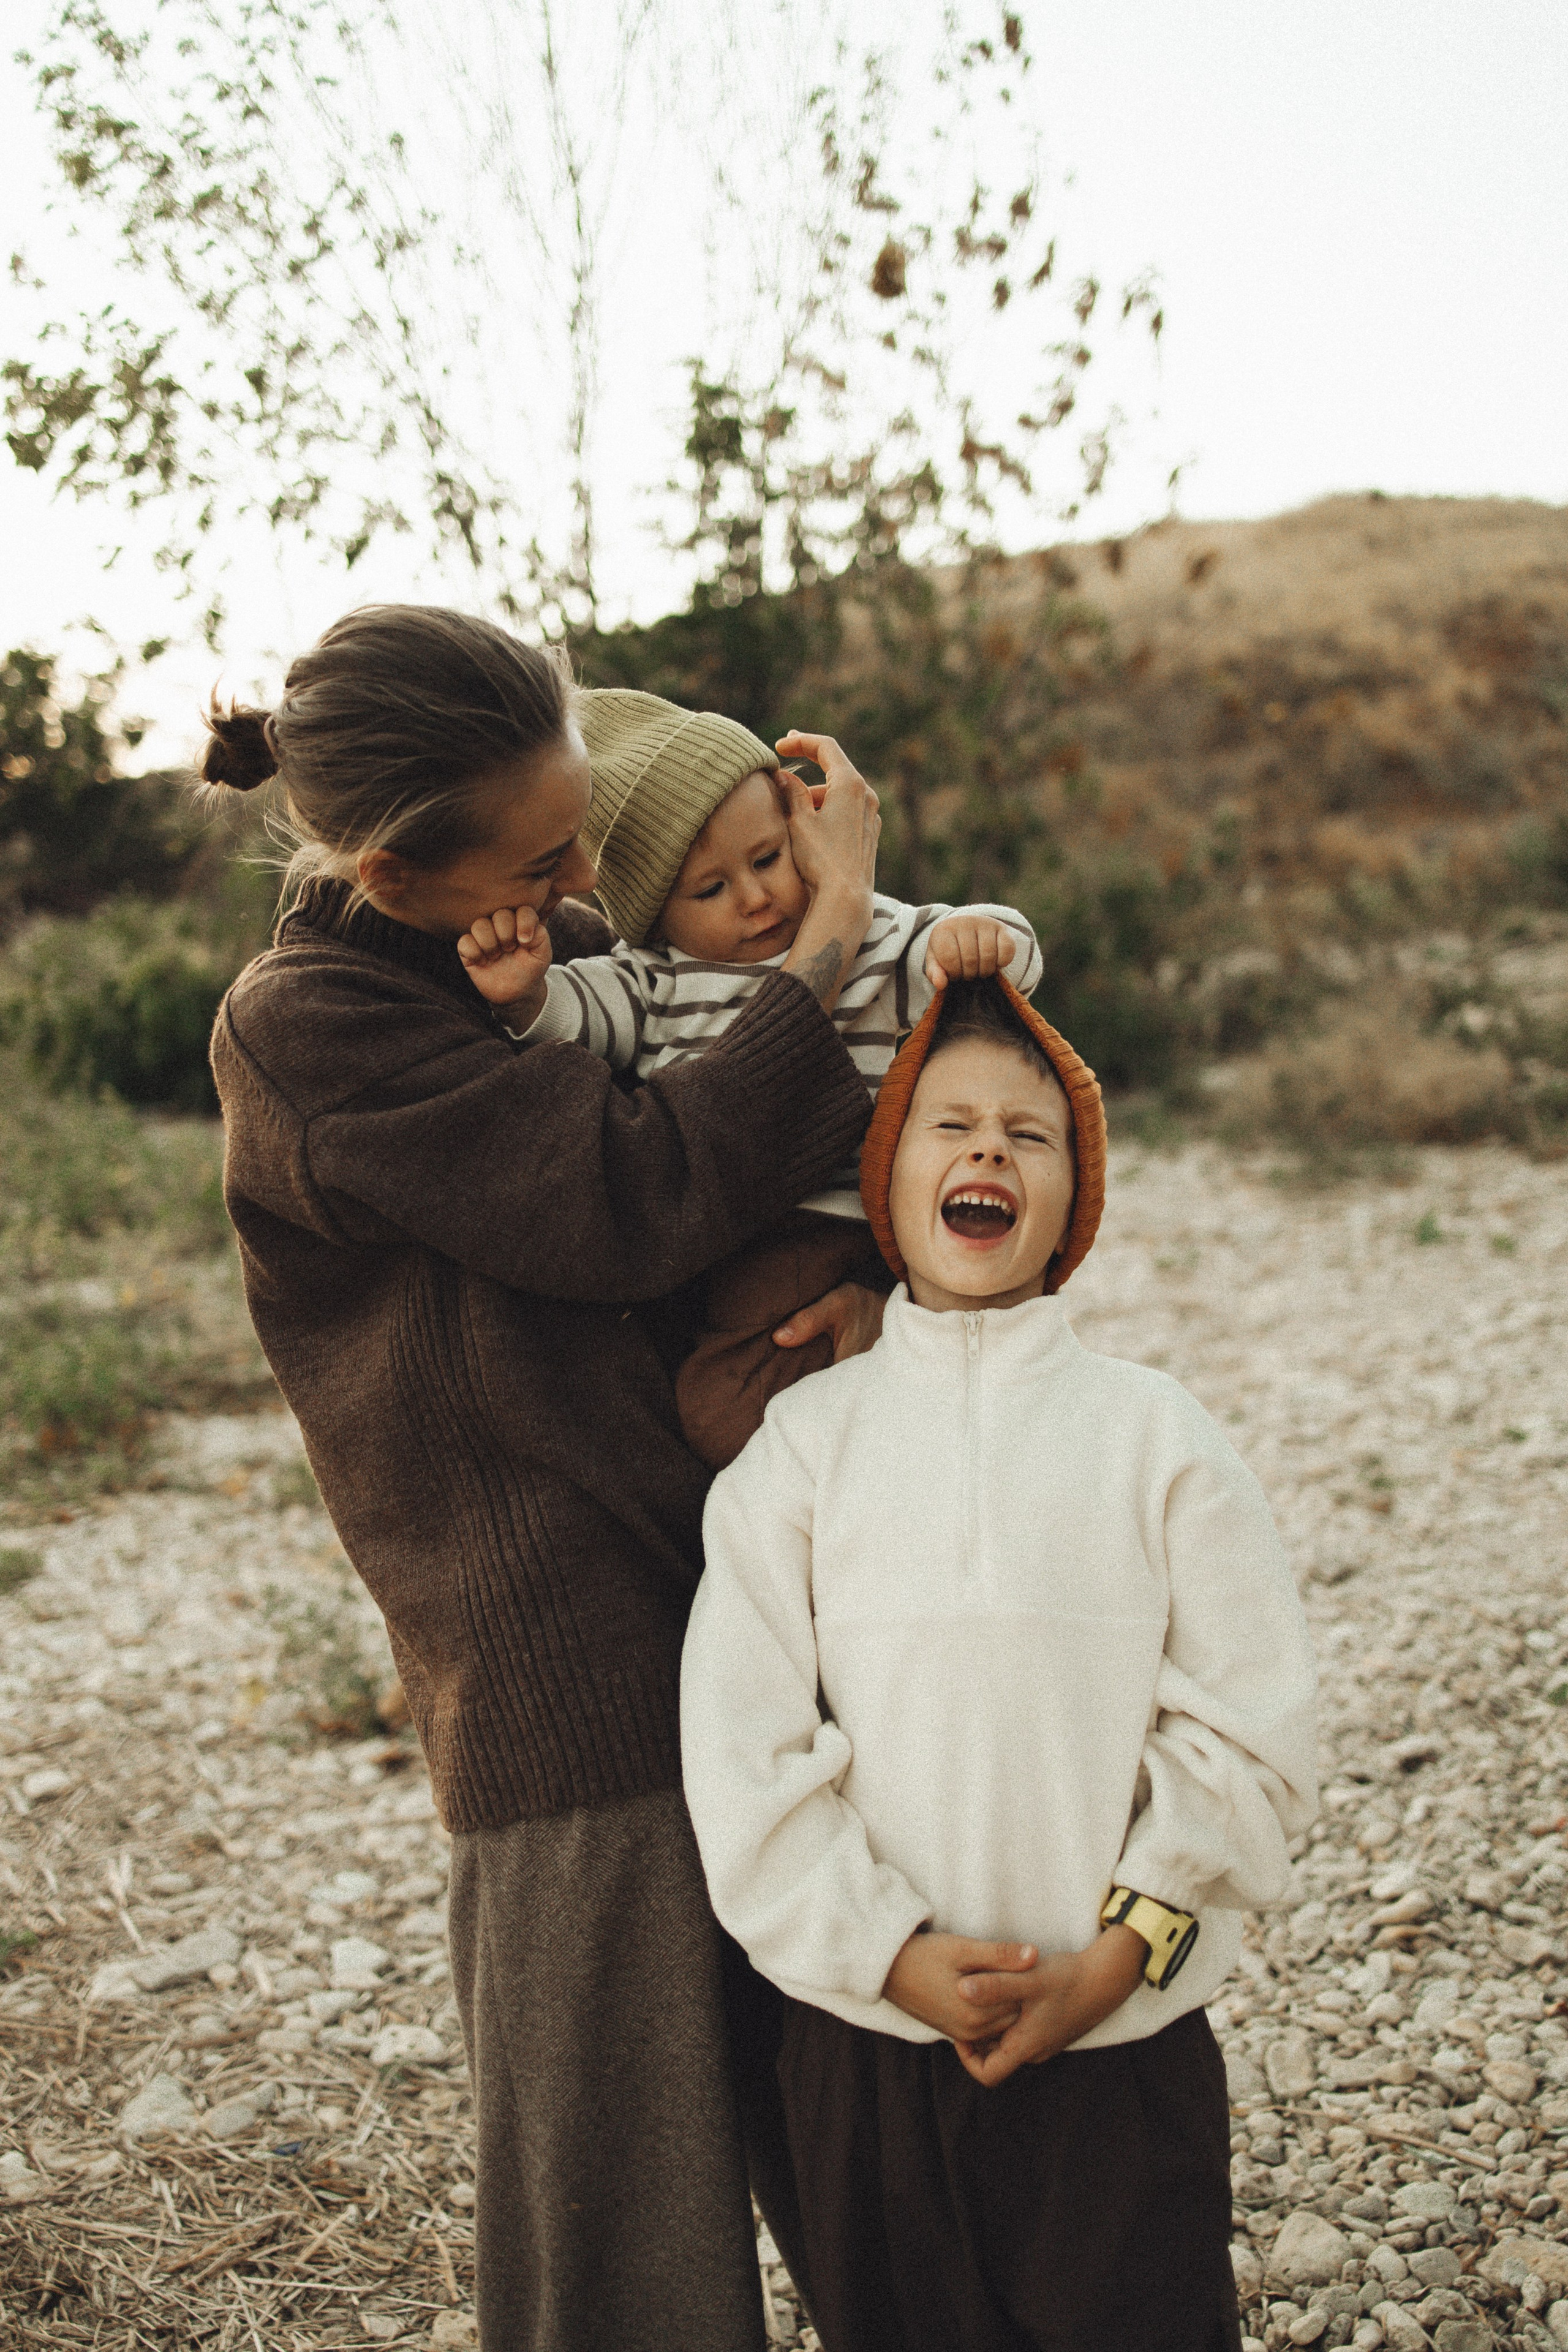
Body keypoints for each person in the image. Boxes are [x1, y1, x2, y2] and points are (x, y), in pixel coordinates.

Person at [200, 603, 888, 2352]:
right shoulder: (313, 1031)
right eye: (546, 850)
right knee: (624, 2251)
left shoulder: (533, 941)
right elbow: (632, 1197)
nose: (589, 875)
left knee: (871, 2133)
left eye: (582, 823)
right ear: (388, 868)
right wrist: (809, 960)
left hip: (732, 1594)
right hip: (565, 1665)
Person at [680, 973, 1321, 2352]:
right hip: (862, 2055)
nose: (985, 1153)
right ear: (886, 1178)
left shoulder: (1156, 1437)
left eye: (1027, 1137)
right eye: (946, 1126)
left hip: (1118, 2053)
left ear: (1073, 1200)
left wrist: (1121, 1954)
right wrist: (884, 1951)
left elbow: (1250, 1739)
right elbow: (742, 1755)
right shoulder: (800, 1453)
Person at [455, 685, 1042, 1465]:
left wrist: (981, 938)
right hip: (736, 1230)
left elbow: (1000, 957)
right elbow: (573, 1021)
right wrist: (526, 989)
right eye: (710, 889)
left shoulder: (868, 934)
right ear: (655, 915)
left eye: (768, 858)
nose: (757, 897)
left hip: (858, 1221)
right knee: (719, 1401)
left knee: (742, 1403)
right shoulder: (653, 980)